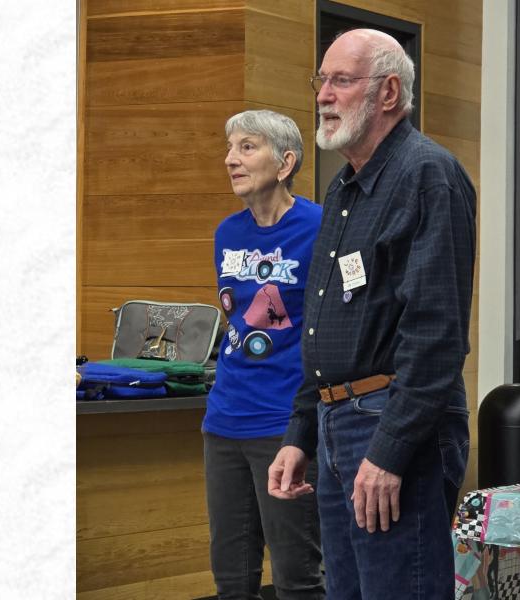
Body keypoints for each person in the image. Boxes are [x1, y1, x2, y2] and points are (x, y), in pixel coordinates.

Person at [267, 29, 476, 599]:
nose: (323, 95)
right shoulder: (343, 190)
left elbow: (436, 336)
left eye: (341, 80)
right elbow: (320, 323)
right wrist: (300, 433)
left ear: (388, 92)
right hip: (337, 424)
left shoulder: (428, 175)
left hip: (391, 424)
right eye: (321, 80)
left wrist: (389, 452)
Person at [203, 109, 325, 599]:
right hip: (223, 422)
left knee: (297, 578)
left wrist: (306, 425)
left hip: (285, 424)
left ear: (285, 162)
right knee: (231, 580)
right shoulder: (227, 234)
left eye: (247, 147)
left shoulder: (320, 228)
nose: (230, 159)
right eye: (230, 148)